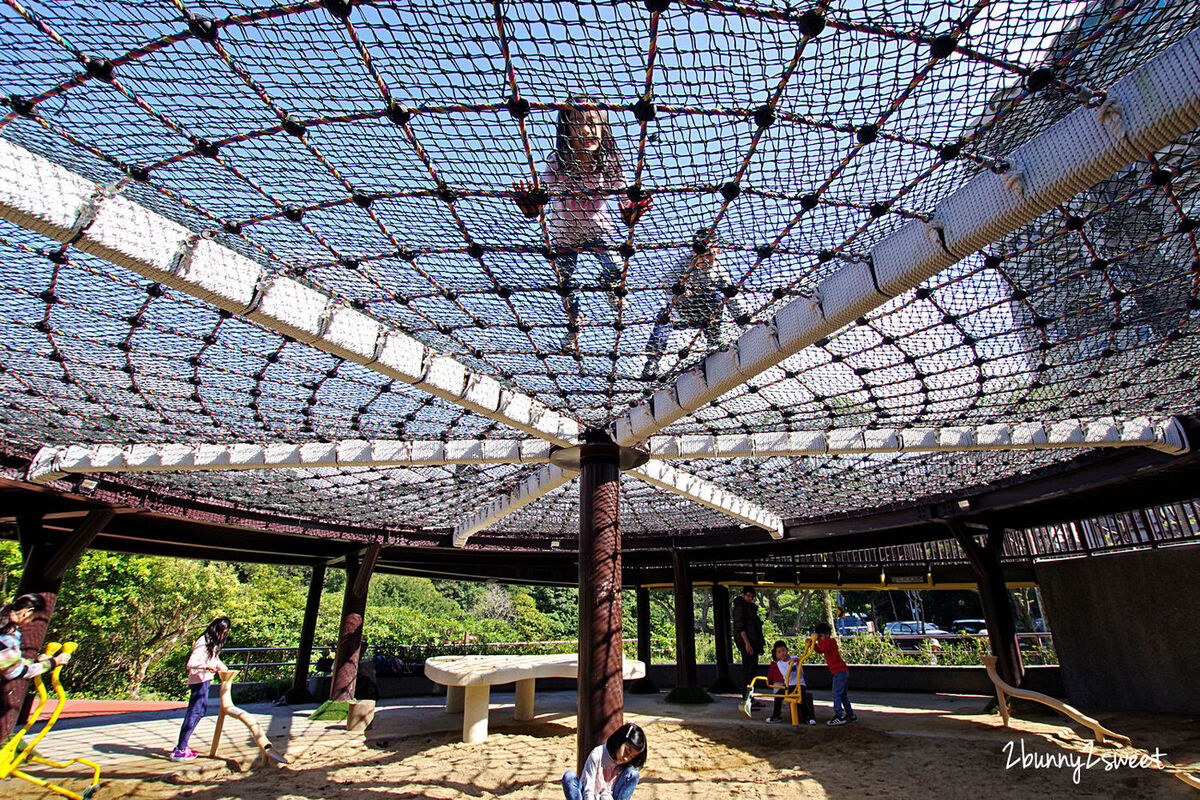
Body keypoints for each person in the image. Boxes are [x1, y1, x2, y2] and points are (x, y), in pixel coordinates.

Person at [514, 95, 651, 348]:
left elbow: (623, 201)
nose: (585, 130)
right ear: (566, 130)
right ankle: (574, 322)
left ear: (603, 128)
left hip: (598, 231)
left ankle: (609, 284)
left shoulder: (609, 162)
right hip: (563, 234)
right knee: (565, 283)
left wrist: (631, 208)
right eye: (576, 123)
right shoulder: (558, 161)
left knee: (616, 266)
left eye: (592, 122)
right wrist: (532, 204)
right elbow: (542, 194)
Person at [641, 232, 744, 380]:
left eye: (709, 255)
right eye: (700, 255)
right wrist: (678, 290)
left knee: (718, 297)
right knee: (664, 317)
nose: (704, 260)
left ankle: (713, 340)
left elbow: (732, 298)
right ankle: (652, 361)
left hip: (703, 314)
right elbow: (666, 283)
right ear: (693, 252)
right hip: (682, 311)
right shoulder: (684, 264)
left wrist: (742, 320)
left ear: (718, 251)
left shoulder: (720, 273)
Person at [172, 616, 231, 762]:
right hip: (199, 680)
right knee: (194, 712)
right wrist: (206, 667)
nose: (224, 634)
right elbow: (191, 663)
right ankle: (181, 747)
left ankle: (183, 745)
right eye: (223, 631)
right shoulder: (203, 642)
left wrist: (224, 669)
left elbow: (214, 659)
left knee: (200, 712)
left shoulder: (211, 642)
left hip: (205, 679)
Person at [562, 722, 647, 800]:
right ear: (620, 740)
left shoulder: (627, 766)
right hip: (589, 796)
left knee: (633, 773)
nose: (626, 758)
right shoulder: (597, 755)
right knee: (569, 776)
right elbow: (588, 789)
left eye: (632, 756)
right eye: (626, 751)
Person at [0, 593, 71, 681]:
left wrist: (35, 662)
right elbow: (14, 672)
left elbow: (5, 661)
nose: (30, 623)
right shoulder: (9, 637)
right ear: (28, 612)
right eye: (33, 618)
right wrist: (54, 662)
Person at [813, 622, 856, 725]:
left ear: (827, 634)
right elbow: (820, 650)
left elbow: (823, 648)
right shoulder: (826, 642)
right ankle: (850, 714)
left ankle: (839, 715)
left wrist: (817, 639)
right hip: (840, 671)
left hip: (839, 672)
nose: (821, 638)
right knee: (843, 695)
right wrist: (813, 644)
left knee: (836, 694)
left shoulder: (831, 642)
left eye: (822, 636)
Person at [764, 640, 815, 725]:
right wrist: (789, 664)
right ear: (777, 655)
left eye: (783, 651)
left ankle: (808, 717)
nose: (782, 653)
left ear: (787, 650)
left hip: (799, 684)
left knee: (799, 698)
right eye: (779, 652)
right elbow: (785, 674)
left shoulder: (795, 658)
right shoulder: (780, 663)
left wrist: (798, 663)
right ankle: (776, 716)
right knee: (778, 696)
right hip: (789, 685)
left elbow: (801, 673)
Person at [731, 586, 764, 706]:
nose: (750, 598)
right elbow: (740, 627)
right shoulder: (740, 608)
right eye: (748, 596)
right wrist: (747, 643)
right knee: (748, 670)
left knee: (752, 670)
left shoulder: (748, 608)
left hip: (753, 642)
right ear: (743, 595)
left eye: (752, 596)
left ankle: (749, 697)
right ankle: (746, 698)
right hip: (748, 643)